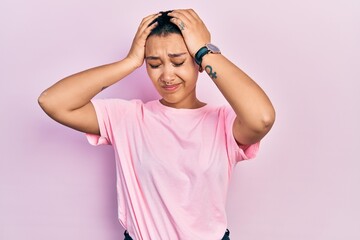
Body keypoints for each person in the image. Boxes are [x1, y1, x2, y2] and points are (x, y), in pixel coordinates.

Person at [38, 9, 275, 240]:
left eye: (178, 61)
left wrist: (206, 51)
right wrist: (130, 62)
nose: (167, 75)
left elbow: (262, 118)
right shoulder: (126, 117)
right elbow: (53, 102)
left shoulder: (223, 123)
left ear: (197, 63)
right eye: (154, 64)